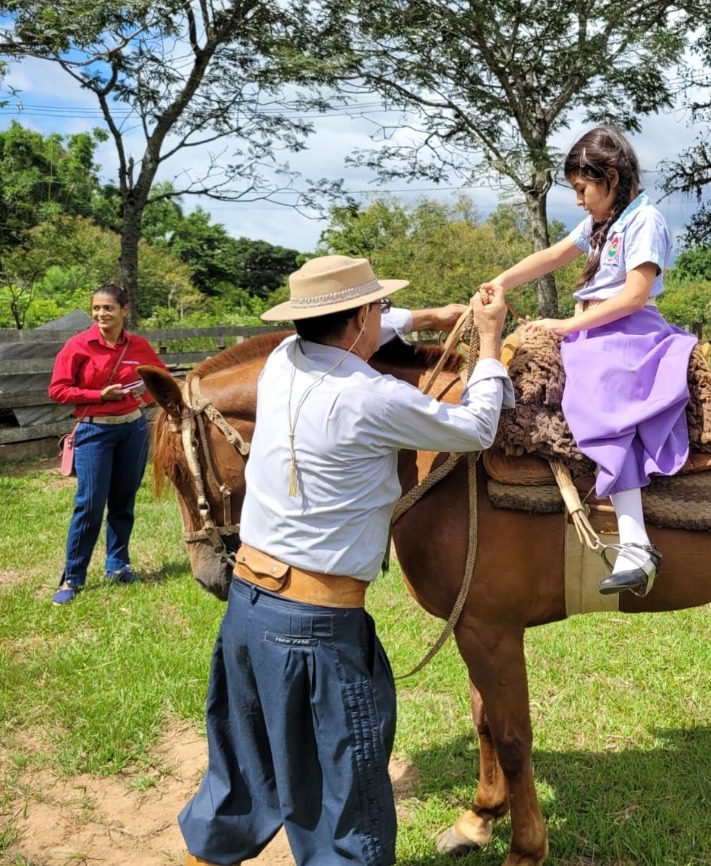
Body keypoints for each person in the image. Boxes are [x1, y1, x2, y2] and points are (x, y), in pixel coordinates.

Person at [178, 255, 513, 866]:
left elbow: (364, 334)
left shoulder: (282, 361)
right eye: (378, 308)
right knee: (346, 800)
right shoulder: (373, 397)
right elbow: (476, 426)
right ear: (359, 315)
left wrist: (431, 315)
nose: (384, 317)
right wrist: (489, 341)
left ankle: (213, 852)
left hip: (249, 609)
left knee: (242, 762)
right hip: (316, 626)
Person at [479, 126, 695, 598]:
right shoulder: (604, 224)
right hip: (594, 328)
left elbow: (636, 295)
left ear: (610, 178)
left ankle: (636, 543)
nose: (578, 200)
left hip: (627, 331)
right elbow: (554, 254)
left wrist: (566, 326)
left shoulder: (645, 221)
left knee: (597, 391)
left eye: (582, 189)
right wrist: (502, 281)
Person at [47, 284, 168, 606]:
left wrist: (142, 395)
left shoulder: (139, 345)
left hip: (134, 429)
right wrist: (99, 395)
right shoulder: (77, 346)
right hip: (94, 433)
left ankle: (118, 565)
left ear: (124, 310)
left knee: (123, 501)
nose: (102, 314)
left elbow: (160, 377)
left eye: (109, 308)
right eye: (97, 308)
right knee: (89, 504)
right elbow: (58, 390)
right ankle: (72, 577)